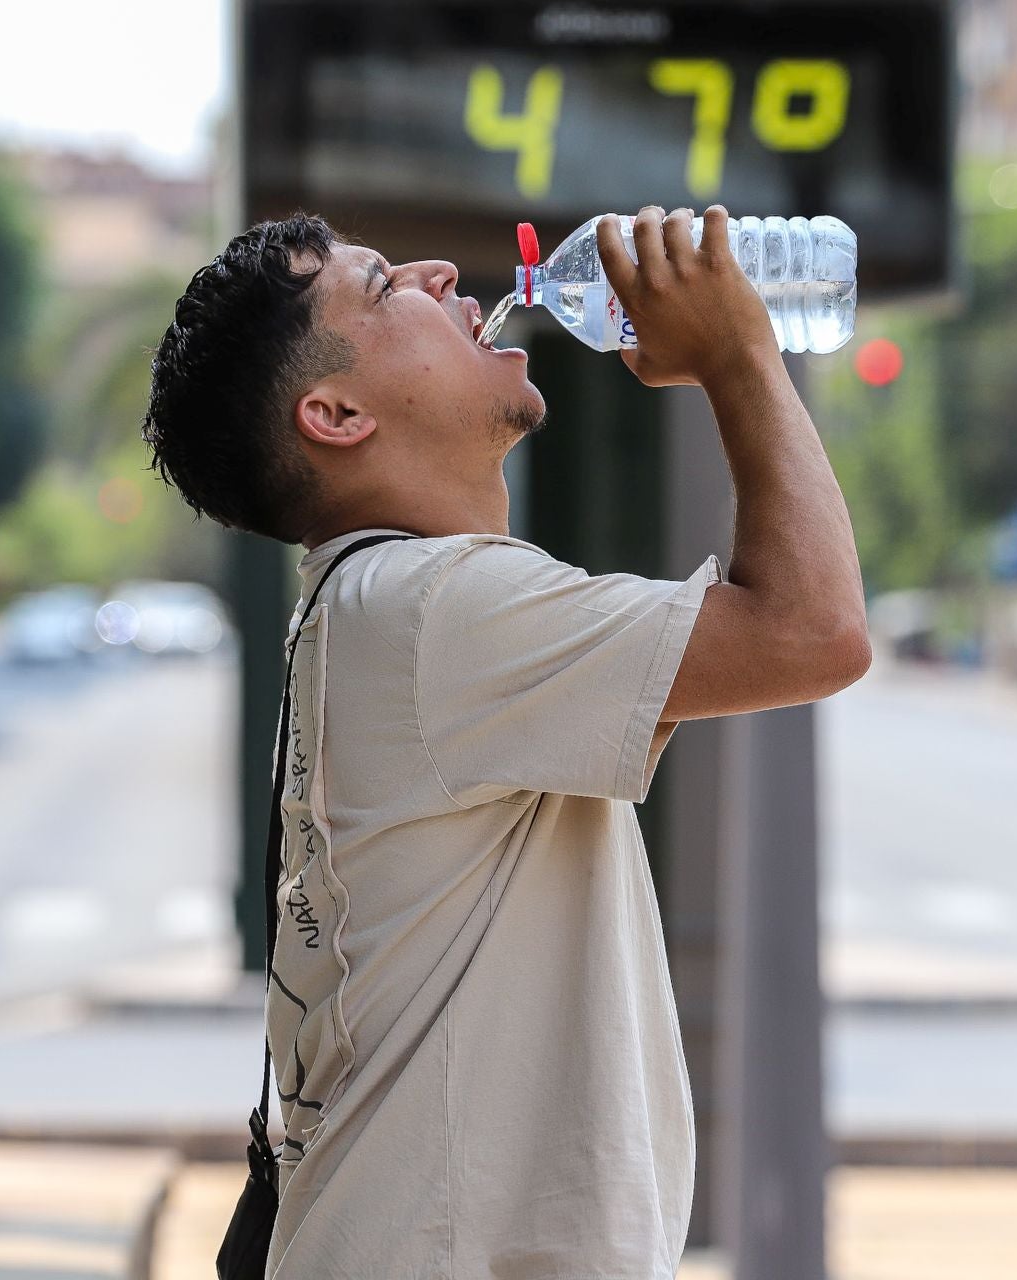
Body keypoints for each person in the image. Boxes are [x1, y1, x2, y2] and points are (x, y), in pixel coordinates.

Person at [141, 204, 869, 1279]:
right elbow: (815, 631)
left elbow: (775, 641)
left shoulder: (382, 607)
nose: (440, 271)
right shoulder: (433, 608)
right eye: (386, 286)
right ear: (336, 412)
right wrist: (738, 353)